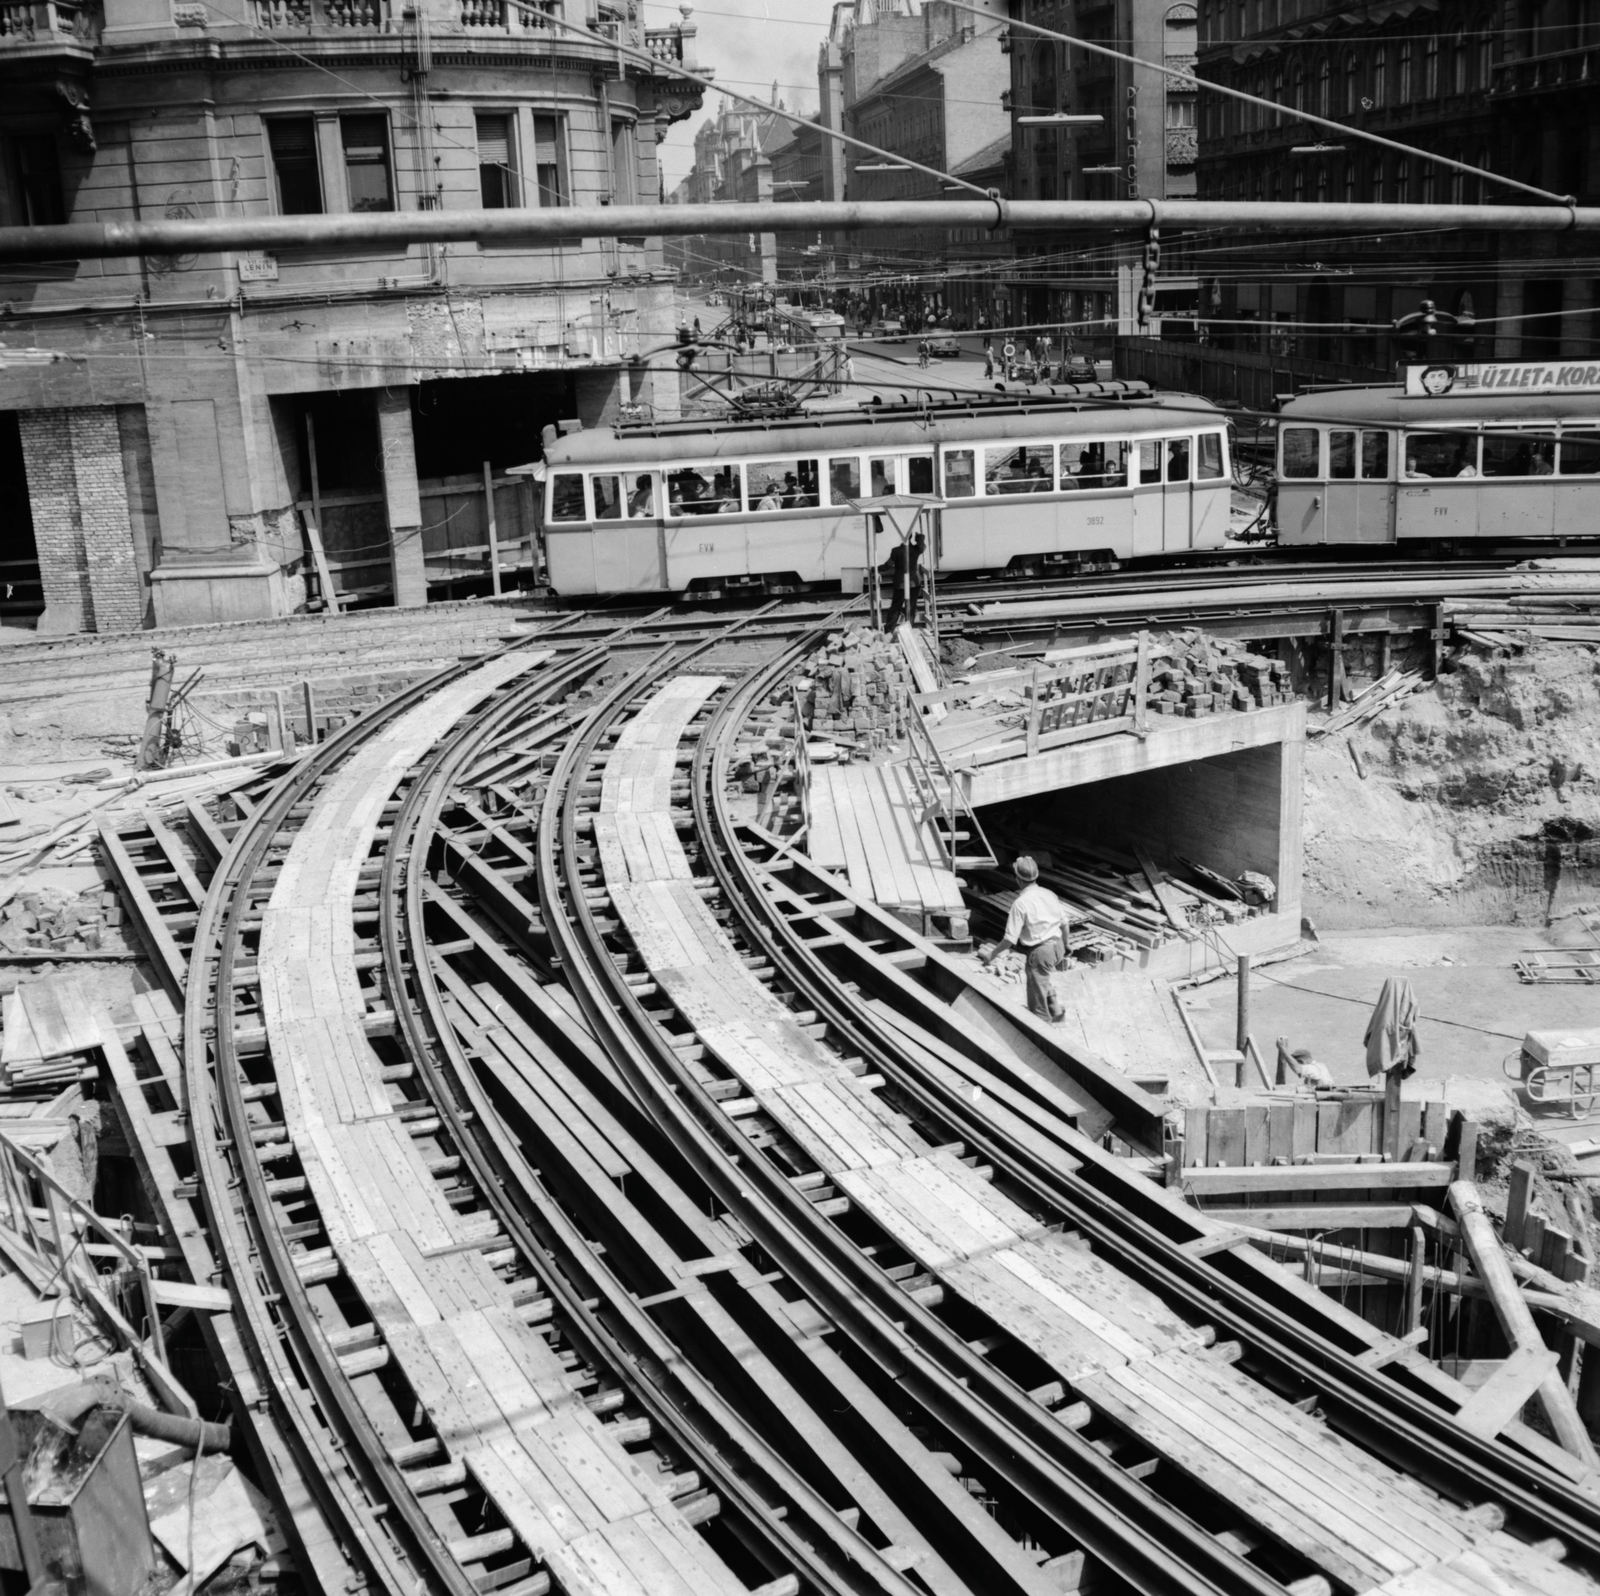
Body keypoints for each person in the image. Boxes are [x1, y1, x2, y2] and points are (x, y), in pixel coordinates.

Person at [979, 856, 1067, 1021]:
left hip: (1042, 952)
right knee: (1042, 976)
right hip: (1058, 945)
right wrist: (1067, 946)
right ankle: (1055, 1010)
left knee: (1036, 993)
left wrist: (992, 954)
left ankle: (1042, 1026)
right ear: (1037, 875)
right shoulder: (1049, 894)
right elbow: (1065, 924)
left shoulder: (1020, 903)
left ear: (1018, 879)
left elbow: (1010, 940)